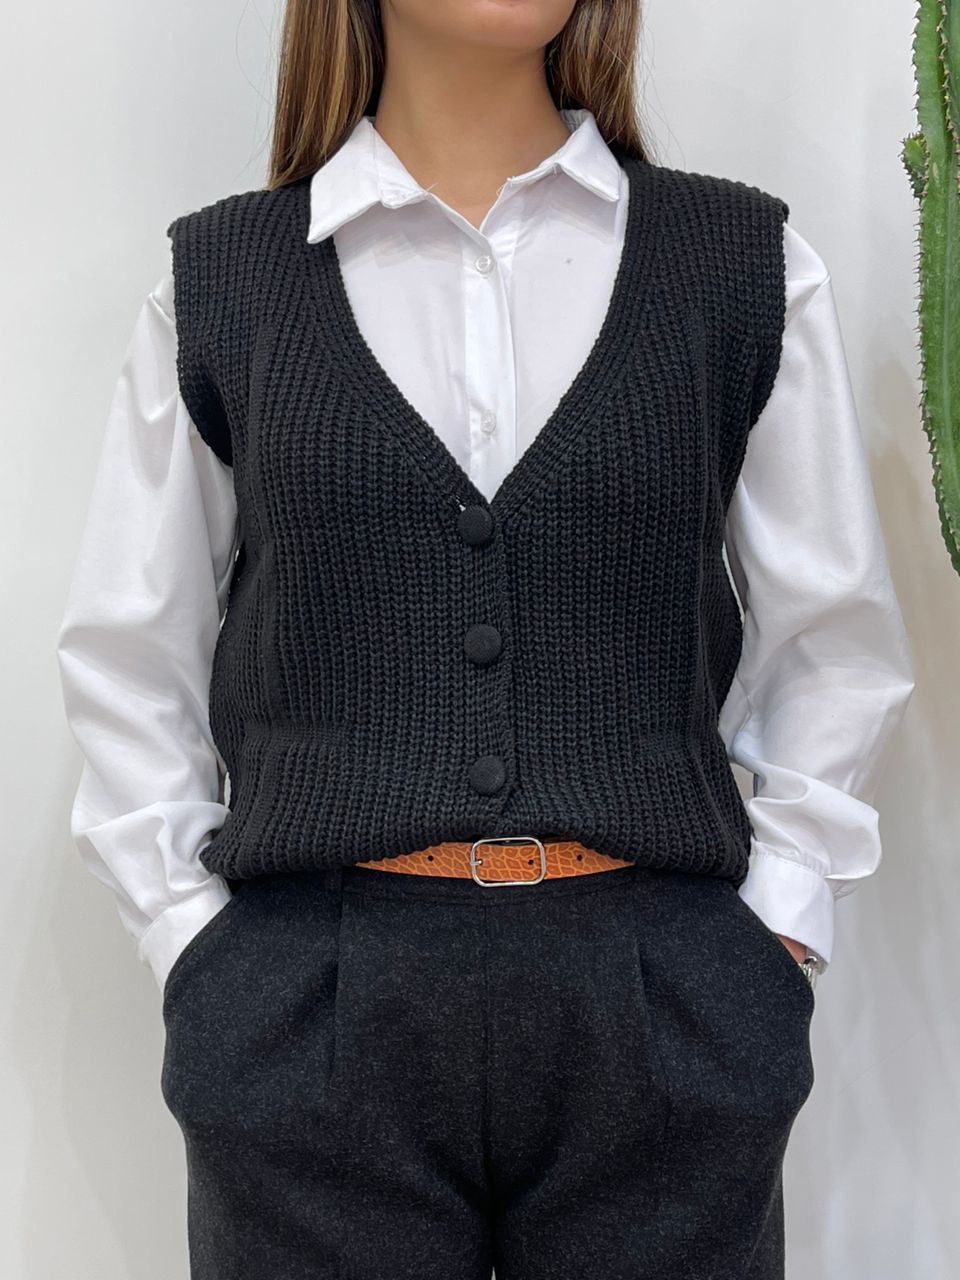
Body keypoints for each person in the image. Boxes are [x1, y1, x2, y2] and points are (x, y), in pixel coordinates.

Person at [55, 1, 916, 1276]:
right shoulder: (223, 282)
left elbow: (831, 643)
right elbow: (131, 660)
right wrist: (203, 959)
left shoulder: (740, 264)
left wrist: (769, 944)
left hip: (664, 1005)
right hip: (310, 1017)